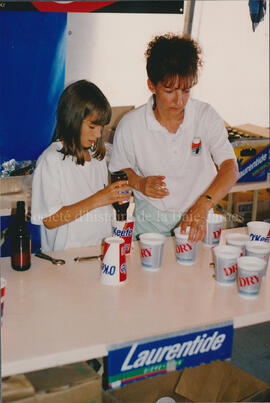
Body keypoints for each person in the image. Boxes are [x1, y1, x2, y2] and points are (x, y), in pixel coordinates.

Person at [109, 34, 239, 243]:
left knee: (197, 274)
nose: (179, 100)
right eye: (169, 91)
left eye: (186, 90)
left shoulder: (205, 116)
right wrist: (140, 183)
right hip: (150, 222)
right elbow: (118, 170)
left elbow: (230, 168)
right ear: (152, 85)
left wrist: (203, 204)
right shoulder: (131, 124)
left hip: (198, 216)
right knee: (150, 273)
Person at [31, 80, 131, 251]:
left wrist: (114, 199)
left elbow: (100, 209)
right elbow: (49, 220)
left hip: (99, 252)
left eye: (101, 127)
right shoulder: (51, 161)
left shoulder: (97, 157)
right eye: (92, 126)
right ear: (72, 120)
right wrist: (100, 198)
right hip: (66, 259)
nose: (98, 134)